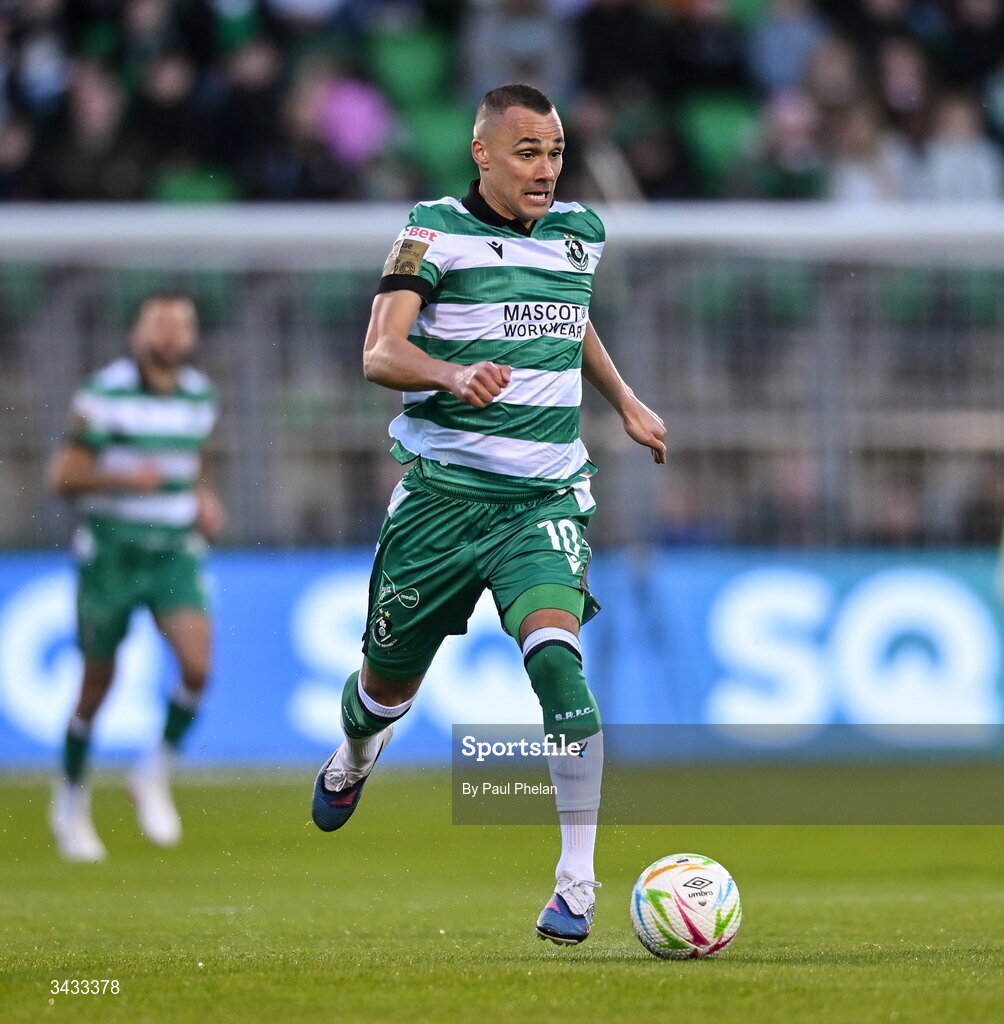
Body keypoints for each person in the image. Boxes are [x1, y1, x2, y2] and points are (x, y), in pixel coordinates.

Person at [310, 83, 666, 945]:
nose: (545, 169)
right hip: (441, 502)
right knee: (384, 687)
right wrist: (451, 374)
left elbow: (570, 319)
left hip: (544, 497)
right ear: (483, 153)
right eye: (527, 153)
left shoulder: (581, 233)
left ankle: (575, 884)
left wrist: (621, 398)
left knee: (557, 664)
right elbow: (379, 351)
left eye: (555, 152)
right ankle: (357, 751)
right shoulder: (433, 231)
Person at [47, 291, 223, 862]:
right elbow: (63, 476)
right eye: (160, 323)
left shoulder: (200, 396)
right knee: (97, 685)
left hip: (173, 550)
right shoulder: (104, 396)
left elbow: (190, 462)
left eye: (182, 325)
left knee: (198, 668)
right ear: (137, 332)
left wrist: (203, 497)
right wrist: (125, 482)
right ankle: (70, 799)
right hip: (112, 554)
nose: (171, 335)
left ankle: (152, 774)